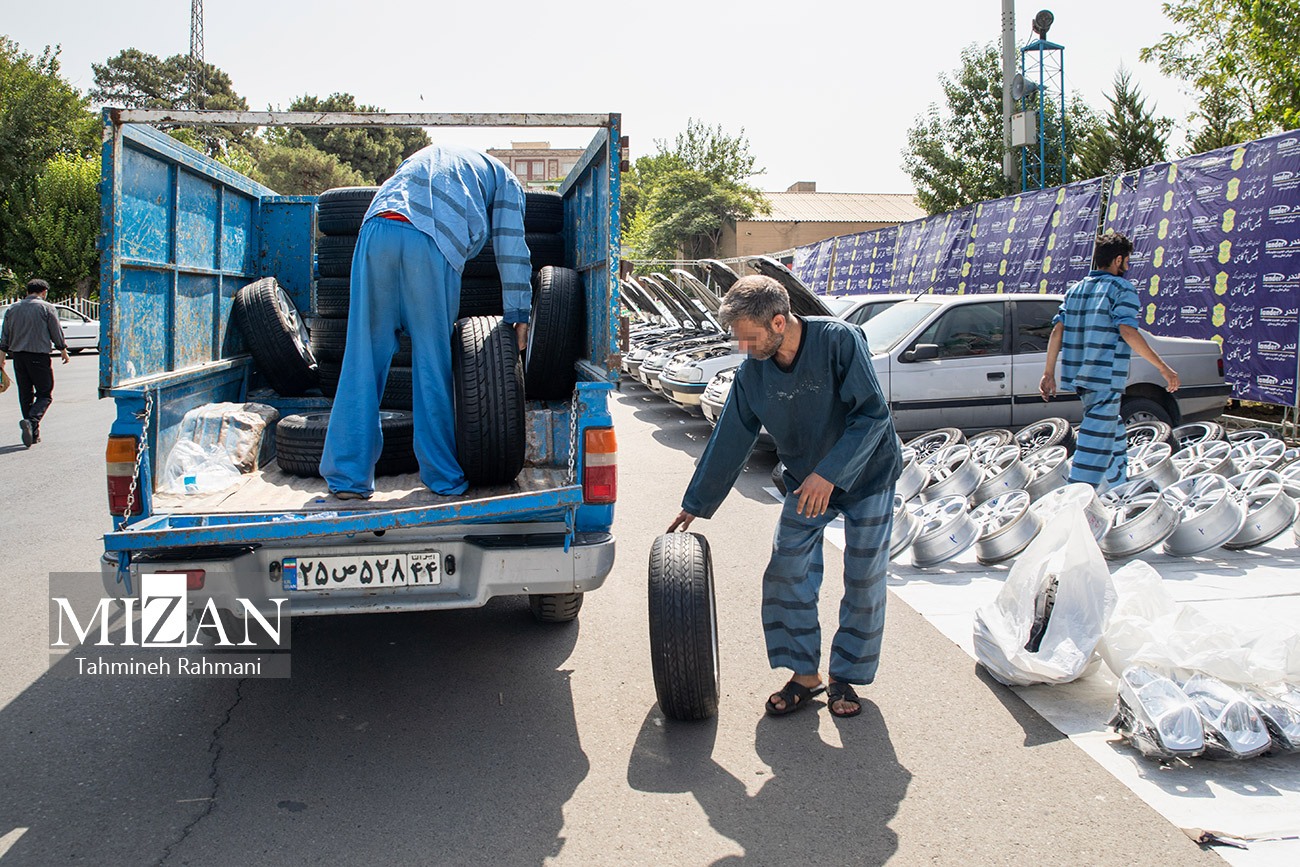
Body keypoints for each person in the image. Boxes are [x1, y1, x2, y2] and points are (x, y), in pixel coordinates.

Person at [667, 276, 901, 719]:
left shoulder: (839, 341)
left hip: (869, 475)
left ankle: (845, 676)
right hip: (805, 480)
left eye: (749, 337)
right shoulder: (751, 372)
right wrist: (696, 503)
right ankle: (805, 675)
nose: (742, 347)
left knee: (864, 579)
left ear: (778, 322)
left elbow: (872, 415)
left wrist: (829, 474)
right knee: (786, 570)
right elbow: (730, 439)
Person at [321, 145, 532, 500]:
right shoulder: (507, 181)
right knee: (432, 364)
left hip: (375, 231)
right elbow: (511, 247)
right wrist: (518, 313)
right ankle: (441, 476)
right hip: (431, 242)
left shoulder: (426, 157)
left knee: (362, 360)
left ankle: (347, 479)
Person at [1039, 231, 1179, 490]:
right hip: (1104, 377)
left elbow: (1058, 330)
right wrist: (1163, 368)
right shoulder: (1121, 289)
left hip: (1080, 377)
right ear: (1118, 260)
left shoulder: (1075, 290)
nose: (1128, 266)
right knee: (1093, 444)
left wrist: (1048, 373)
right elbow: (1128, 331)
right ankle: (1079, 494)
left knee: (1112, 431)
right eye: (1127, 260)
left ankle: (1117, 485)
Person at [0, 279, 69, 447]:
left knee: (25, 394)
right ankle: (31, 421)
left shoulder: (13, 308)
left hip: (18, 356)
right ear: (44, 291)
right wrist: (62, 349)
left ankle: (33, 434)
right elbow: (55, 330)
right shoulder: (47, 308)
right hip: (38, 356)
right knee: (45, 393)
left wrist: (1, 358)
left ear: (28, 291)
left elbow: (5, 336)